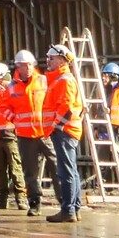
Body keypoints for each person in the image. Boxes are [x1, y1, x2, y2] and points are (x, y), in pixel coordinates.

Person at [42, 43, 84, 224]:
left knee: (66, 171)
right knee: (71, 171)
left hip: (64, 132)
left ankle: (68, 210)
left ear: (61, 60)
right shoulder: (61, 79)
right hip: (66, 131)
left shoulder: (64, 80)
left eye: (51, 58)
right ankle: (74, 208)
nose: (48, 61)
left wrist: (56, 127)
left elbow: (66, 108)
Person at [7, 49, 50, 217]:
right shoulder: (12, 86)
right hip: (25, 135)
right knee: (30, 172)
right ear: (19, 67)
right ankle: (35, 203)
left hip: (45, 132)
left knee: (56, 165)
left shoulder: (43, 81)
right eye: (26, 65)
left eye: (31, 65)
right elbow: (4, 107)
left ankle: (65, 202)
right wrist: (14, 119)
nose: (29, 68)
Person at [0, 61, 27, 210]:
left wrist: (2, 95)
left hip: (10, 134)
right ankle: (2, 199)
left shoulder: (12, 91)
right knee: (0, 169)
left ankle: (21, 198)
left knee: (15, 167)